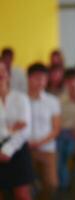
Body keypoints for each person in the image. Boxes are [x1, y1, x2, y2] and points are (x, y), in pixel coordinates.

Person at [26, 63, 61, 200]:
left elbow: (56, 128)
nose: (40, 82)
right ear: (28, 78)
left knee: (51, 184)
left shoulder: (52, 101)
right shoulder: (20, 99)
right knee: (25, 186)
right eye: (37, 78)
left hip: (47, 148)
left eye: (44, 78)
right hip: (24, 148)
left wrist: (39, 142)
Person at [0, 59, 33, 200]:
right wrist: (10, 129)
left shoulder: (20, 98)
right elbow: (17, 126)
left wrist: (8, 148)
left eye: (3, 70)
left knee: (22, 194)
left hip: (18, 149)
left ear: (8, 75)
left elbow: (25, 129)